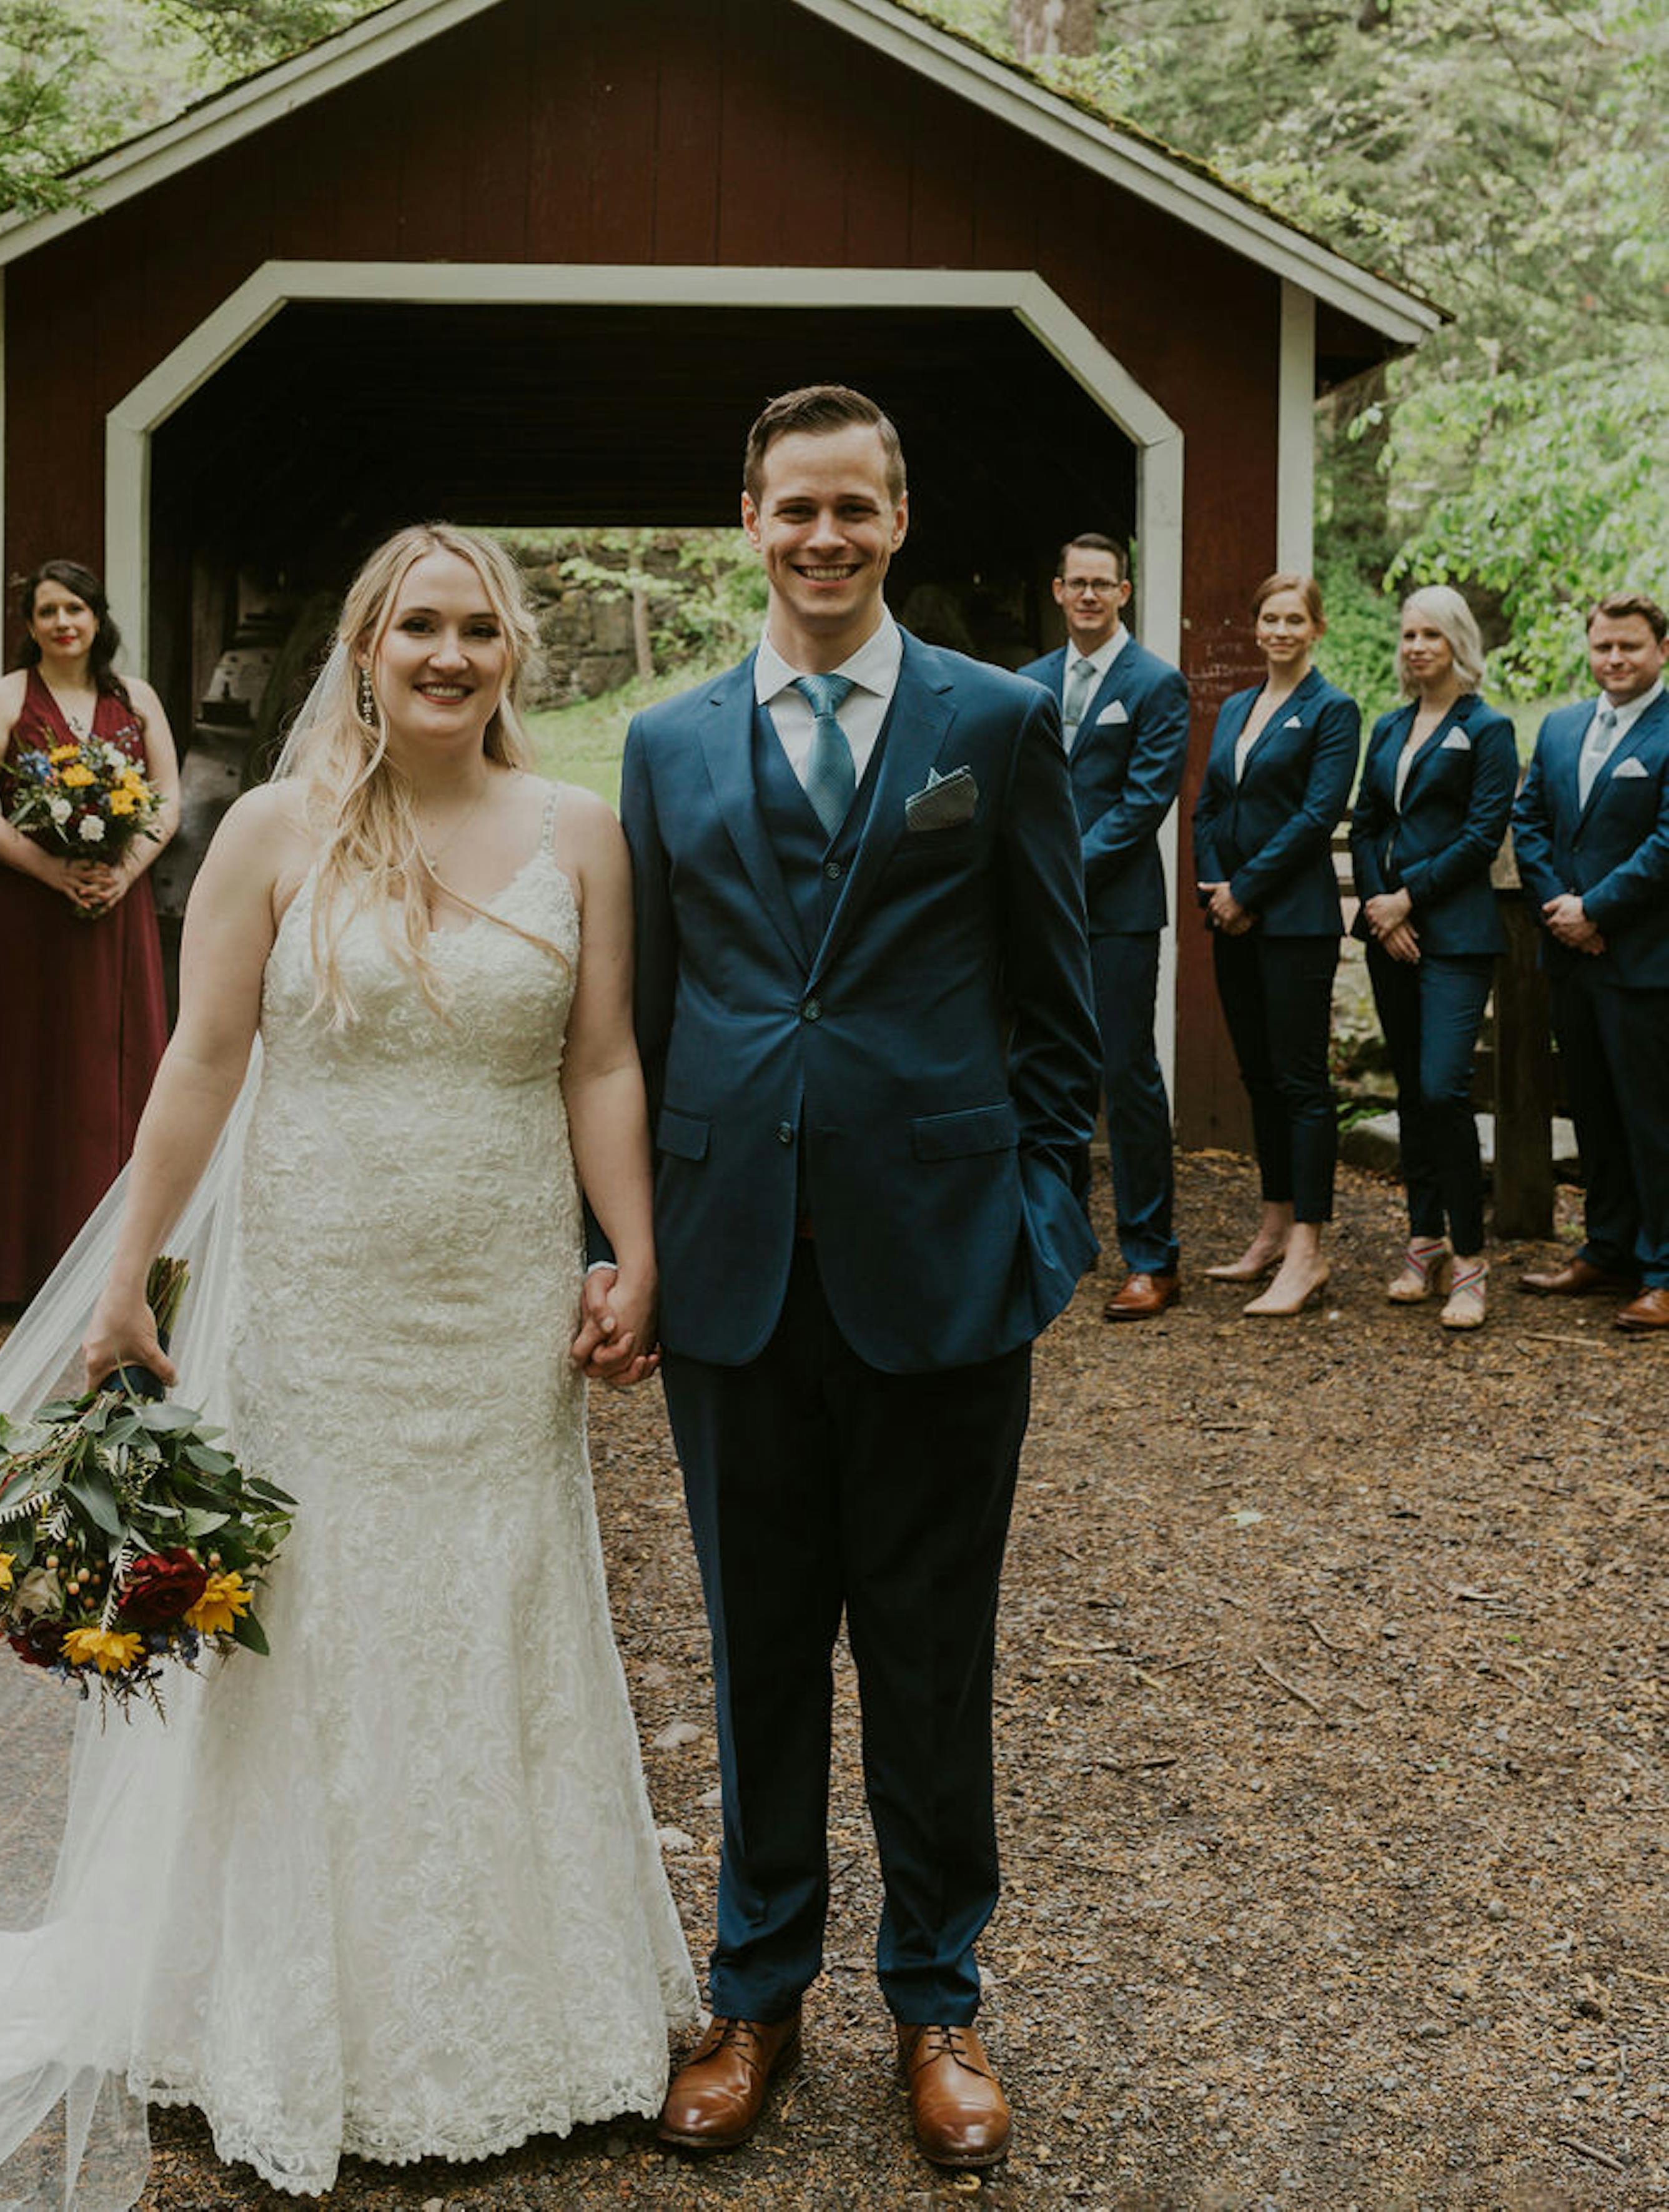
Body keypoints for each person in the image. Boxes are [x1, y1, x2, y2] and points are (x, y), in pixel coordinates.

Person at [0, 525, 695, 2212]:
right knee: (316, 1623)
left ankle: (518, 2013)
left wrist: (630, 1247)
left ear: (511, 651)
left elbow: (598, 1057)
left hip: (495, 1298)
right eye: (416, 627)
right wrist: (126, 1279)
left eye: (477, 628)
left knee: (495, 1607)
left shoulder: (578, 831)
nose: (448, 654)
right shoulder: (275, 831)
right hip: (318, 1299)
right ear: (364, 650)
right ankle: (281, 2015)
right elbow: (203, 1060)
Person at [610, 384, 1097, 2173]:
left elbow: (1058, 1006)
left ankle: (937, 1995)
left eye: (853, 507)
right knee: (755, 1649)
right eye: (793, 507)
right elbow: (640, 1018)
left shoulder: (998, 720)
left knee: (929, 1650)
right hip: (733, 1266)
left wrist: (1041, 1228)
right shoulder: (663, 743)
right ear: (747, 519)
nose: (823, 537)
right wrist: (623, 1246)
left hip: (944, 1261)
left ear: (898, 519)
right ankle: (756, 1990)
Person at [0, 560, 178, 1300]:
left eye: (74, 608)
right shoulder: (5, 698)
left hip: (115, 907)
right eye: (46, 611)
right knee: (25, 1072)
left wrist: (126, 871)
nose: (62, 622)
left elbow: (169, 798)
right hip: (26, 912)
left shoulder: (135, 700)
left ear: (97, 618)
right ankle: (11, 1263)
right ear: (30, 625)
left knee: (109, 1072)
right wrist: (49, 869)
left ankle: (120, 1263)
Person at [1019, 530, 1191, 1317]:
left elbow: (1144, 802)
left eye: (1103, 584)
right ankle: (1061, 1237)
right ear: (1057, 591)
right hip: (1037, 913)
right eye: (1076, 583)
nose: (1089, 595)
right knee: (1046, 1068)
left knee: (1127, 1076)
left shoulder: (1154, 684)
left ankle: (1152, 1256)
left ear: (1124, 593)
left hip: (1117, 911)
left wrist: (1060, 872)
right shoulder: (1027, 684)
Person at [1191, 571, 1360, 1318]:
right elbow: (1207, 806)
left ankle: (1308, 1250)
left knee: (1301, 1084)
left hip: (1294, 921)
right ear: (1255, 627)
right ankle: (1271, 1228)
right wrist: (1215, 889)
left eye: (1295, 619)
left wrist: (1247, 891)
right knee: (1258, 1078)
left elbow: (1318, 815)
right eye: (1270, 618)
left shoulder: (1333, 710)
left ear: (1316, 628)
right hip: (1230, 917)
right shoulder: (1236, 707)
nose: (1280, 631)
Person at [1349, 588, 1518, 1331]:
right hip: (1389, 934)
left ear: (1458, 643)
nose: (1416, 646)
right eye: (1408, 634)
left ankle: (1471, 1260)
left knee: (1444, 1087)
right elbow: (1365, 823)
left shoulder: (1487, 728)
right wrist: (1379, 905)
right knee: (1411, 1094)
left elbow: (1482, 834)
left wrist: (1407, 898)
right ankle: (1423, 1240)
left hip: (1454, 935)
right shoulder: (1388, 726)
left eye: (1431, 635)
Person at [1510, 590, 1669, 1330]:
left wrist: (1596, 909)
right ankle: (1607, 1247)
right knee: (1593, 1112)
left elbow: (1665, 843)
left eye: (1629, 645)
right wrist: (1560, 909)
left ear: (1661, 650)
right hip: (1572, 957)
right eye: (1603, 645)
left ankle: (1662, 1269)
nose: (1614, 658)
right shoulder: (1560, 726)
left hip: (1643, 959)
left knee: (1652, 1119)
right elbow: (1529, 820)